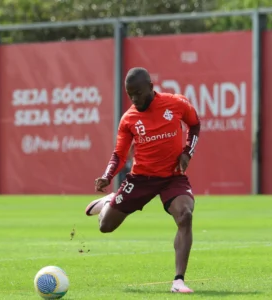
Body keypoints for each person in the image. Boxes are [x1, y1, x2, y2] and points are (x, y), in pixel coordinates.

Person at [84, 67, 200, 293]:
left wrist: (187, 152)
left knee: (185, 215)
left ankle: (178, 281)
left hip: (172, 176)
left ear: (151, 88)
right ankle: (109, 202)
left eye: (138, 93)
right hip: (141, 179)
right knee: (105, 227)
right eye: (130, 95)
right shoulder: (129, 119)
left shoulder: (176, 104)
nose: (135, 99)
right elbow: (119, 154)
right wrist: (107, 176)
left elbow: (195, 124)